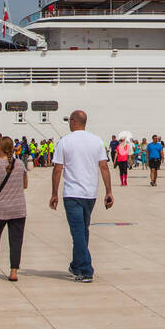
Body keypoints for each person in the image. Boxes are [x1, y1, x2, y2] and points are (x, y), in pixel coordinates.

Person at [49, 110, 113, 283]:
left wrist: (54, 193)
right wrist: (108, 191)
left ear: (73, 121)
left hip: (72, 194)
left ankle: (85, 270)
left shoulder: (65, 141)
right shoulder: (97, 140)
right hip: (90, 194)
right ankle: (76, 265)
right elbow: (104, 167)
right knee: (83, 231)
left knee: (78, 232)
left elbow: (57, 169)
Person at [0, 136, 28, 282]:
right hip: (18, 208)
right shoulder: (20, 164)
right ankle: (13, 271)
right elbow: (25, 185)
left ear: (0, 149)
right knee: (16, 241)